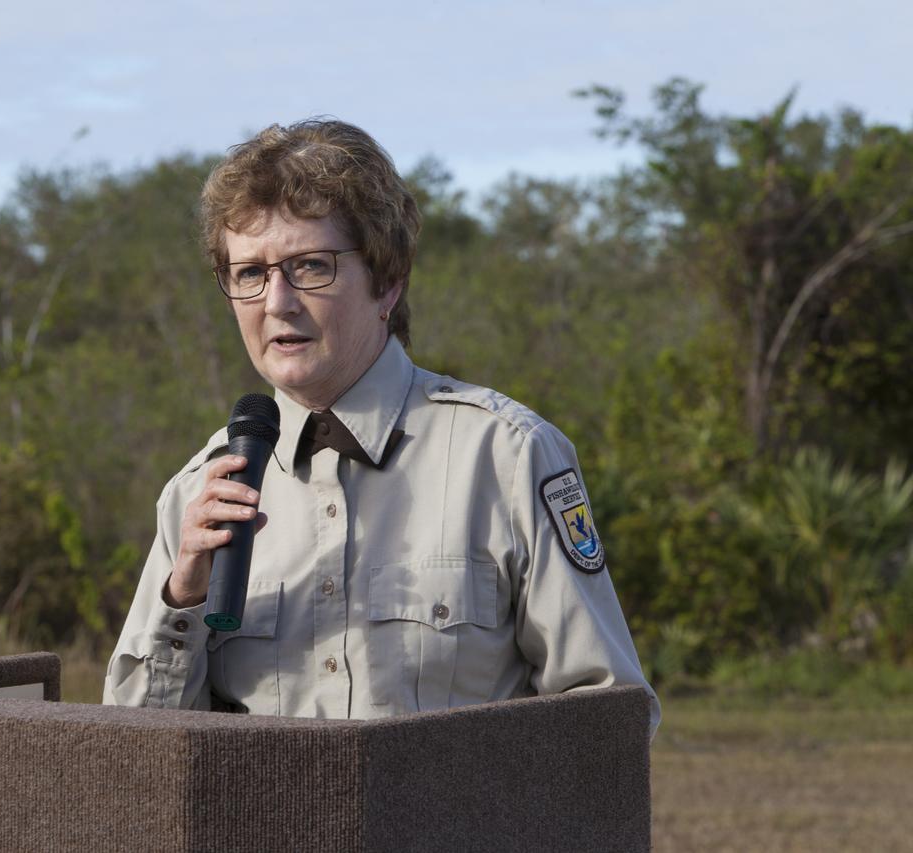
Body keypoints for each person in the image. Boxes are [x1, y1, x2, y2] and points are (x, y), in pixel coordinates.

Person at [103, 119, 660, 735]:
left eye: (310, 266)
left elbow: (605, 718)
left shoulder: (506, 456)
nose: (277, 302)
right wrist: (183, 599)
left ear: (388, 280)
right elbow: (135, 758)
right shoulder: (198, 492)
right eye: (250, 274)